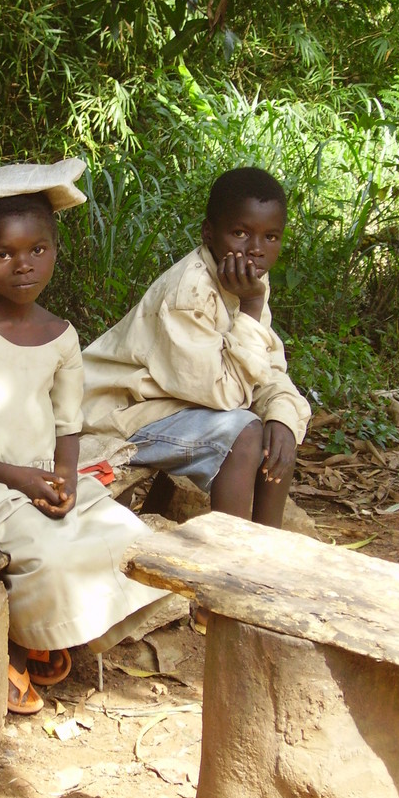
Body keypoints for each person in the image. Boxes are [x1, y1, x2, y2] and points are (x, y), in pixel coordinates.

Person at [0, 160, 167, 715]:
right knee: (44, 552)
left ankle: (58, 630)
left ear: (55, 249)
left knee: (123, 532)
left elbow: (68, 424)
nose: (23, 265)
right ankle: (21, 644)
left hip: (37, 474)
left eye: (38, 249)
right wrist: (18, 478)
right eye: (3, 254)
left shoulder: (61, 336)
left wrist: (66, 480)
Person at [80, 165, 311, 539]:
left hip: (175, 404)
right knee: (244, 433)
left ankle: (271, 552)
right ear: (209, 233)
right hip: (119, 416)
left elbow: (267, 367)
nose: (255, 249)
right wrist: (251, 308)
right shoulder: (190, 293)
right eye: (240, 233)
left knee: (276, 432)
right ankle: (229, 562)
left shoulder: (248, 280)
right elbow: (226, 395)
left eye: (271, 237)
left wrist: (283, 416)